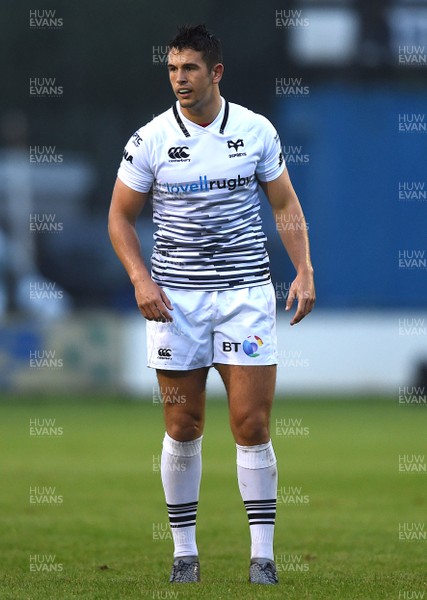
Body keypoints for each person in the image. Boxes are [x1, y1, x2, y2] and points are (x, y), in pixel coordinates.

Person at [108, 23, 315, 585]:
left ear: (215, 72)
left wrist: (304, 269)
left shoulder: (255, 131)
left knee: (251, 425)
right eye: (173, 68)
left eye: (190, 68)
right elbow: (120, 217)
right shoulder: (149, 139)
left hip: (245, 297)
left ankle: (263, 558)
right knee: (183, 424)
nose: (179, 78)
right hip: (175, 302)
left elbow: (285, 205)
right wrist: (140, 279)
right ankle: (184, 557)